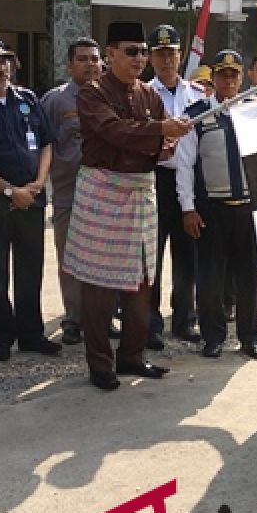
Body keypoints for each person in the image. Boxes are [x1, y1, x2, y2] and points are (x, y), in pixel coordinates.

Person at [63, 21, 192, 391]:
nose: (140, 59)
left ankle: (133, 356)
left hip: (141, 191)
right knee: (99, 286)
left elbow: (152, 144)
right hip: (103, 192)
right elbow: (113, 132)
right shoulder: (92, 93)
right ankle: (100, 363)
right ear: (111, 54)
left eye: (143, 52)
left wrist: (165, 144)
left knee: (142, 281)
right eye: (132, 51)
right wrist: (159, 134)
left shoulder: (150, 96)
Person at [0, 33, 60, 360]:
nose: (0, 69)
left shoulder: (28, 98)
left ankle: (31, 333)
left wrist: (38, 181)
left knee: (30, 268)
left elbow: (47, 142)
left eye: (4, 61)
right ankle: (1, 337)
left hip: (32, 197)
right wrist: (10, 190)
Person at [177, 50, 257, 360]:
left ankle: (251, 337)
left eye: (234, 75)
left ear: (241, 78)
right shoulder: (197, 115)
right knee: (210, 278)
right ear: (212, 78)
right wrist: (188, 208)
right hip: (211, 209)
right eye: (222, 75)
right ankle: (213, 337)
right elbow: (185, 165)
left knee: (249, 276)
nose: (228, 80)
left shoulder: (255, 112)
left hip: (248, 208)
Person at [40, 36, 101, 345]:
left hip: (105, 194)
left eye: (94, 58)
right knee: (70, 258)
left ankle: (101, 317)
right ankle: (74, 319)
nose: (90, 64)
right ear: (69, 64)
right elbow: (43, 144)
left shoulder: (111, 97)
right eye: (83, 59)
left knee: (103, 257)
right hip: (69, 192)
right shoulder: (56, 101)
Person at [145, 24, 203, 348]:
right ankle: (150, 322)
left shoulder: (197, 95)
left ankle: (184, 320)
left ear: (180, 55)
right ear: (151, 57)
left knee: (187, 254)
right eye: (160, 54)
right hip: (155, 179)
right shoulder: (142, 94)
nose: (166, 60)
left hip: (188, 182)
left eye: (171, 53)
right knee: (151, 255)